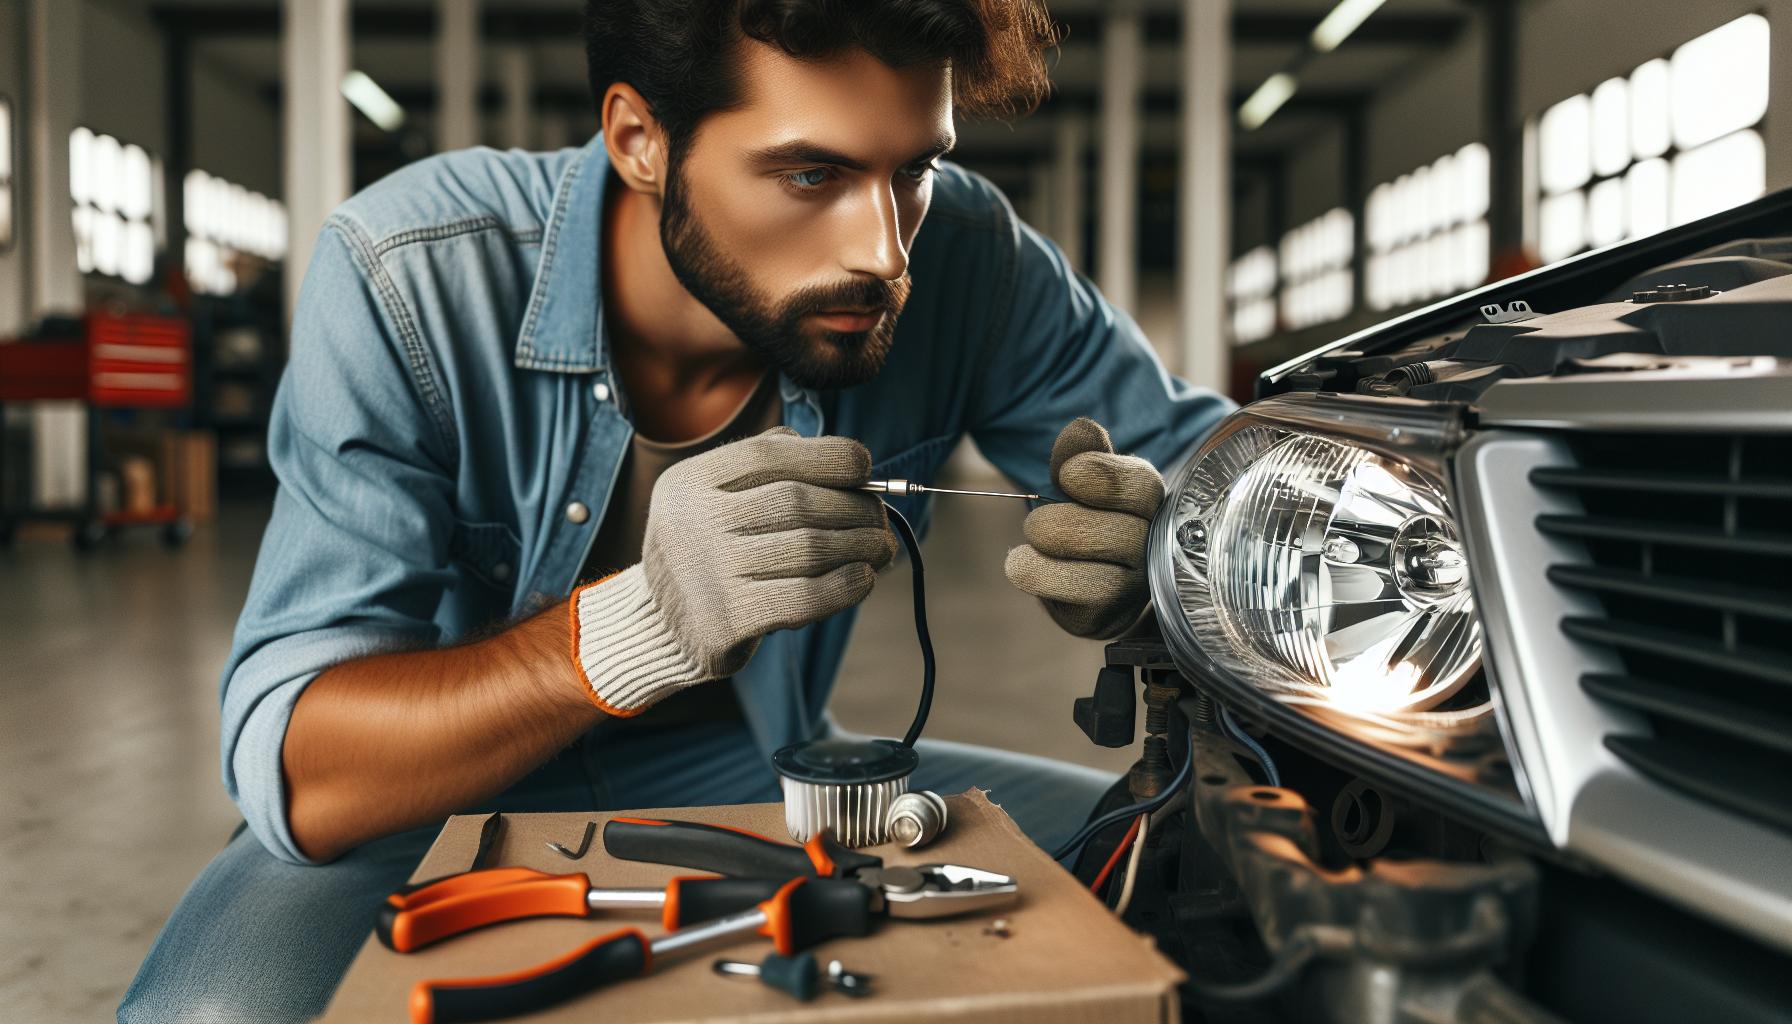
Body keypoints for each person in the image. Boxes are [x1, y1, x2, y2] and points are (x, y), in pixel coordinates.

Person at [119, 1, 1233, 1019]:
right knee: (210, 1015)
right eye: (809, 175)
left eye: (912, 172)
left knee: (1207, 867)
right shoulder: (410, 274)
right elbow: (301, 767)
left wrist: (1159, 571)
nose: (883, 250)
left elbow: (1224, 486)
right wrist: (634, 625)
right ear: (639, 139)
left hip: (770, 772)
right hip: (426, 795)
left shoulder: (968, 260)